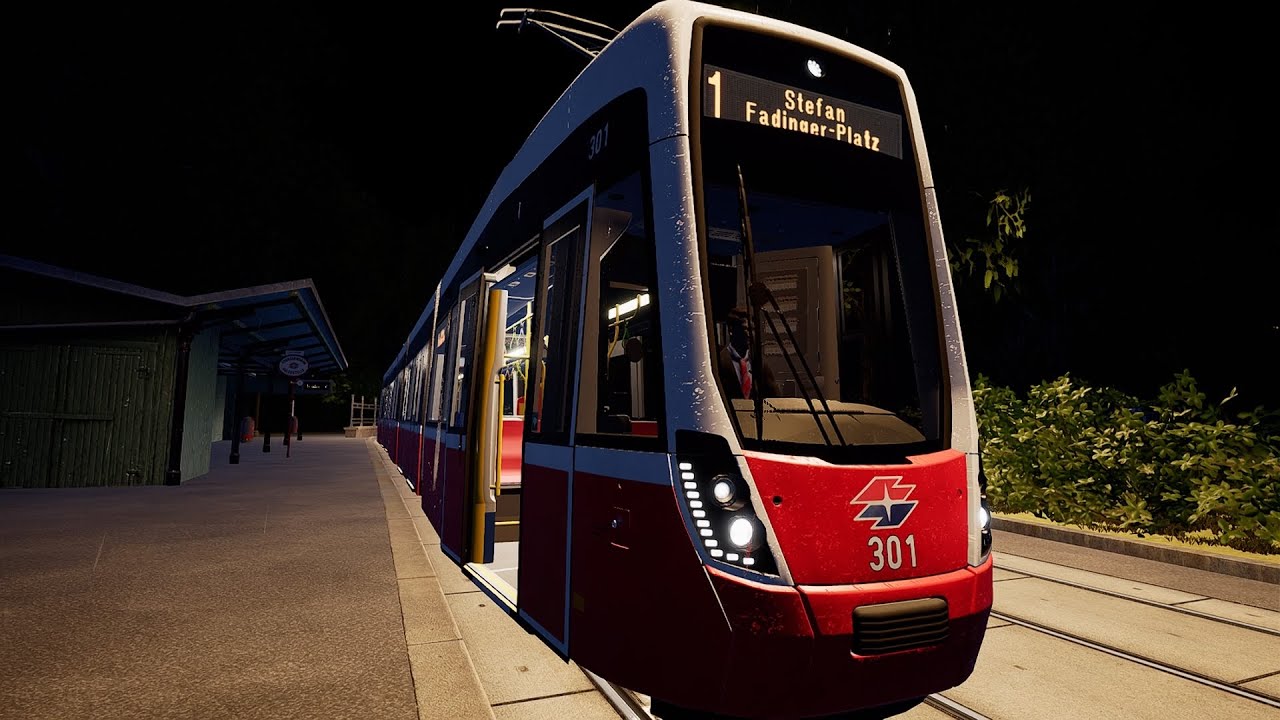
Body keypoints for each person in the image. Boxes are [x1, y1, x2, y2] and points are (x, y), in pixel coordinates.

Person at [717, 306, 780, 400]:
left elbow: (775, 397)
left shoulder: (759, 363)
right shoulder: (719, 362)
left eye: (753, 330)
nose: (750, 334)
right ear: (731, 330)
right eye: (745, 329)